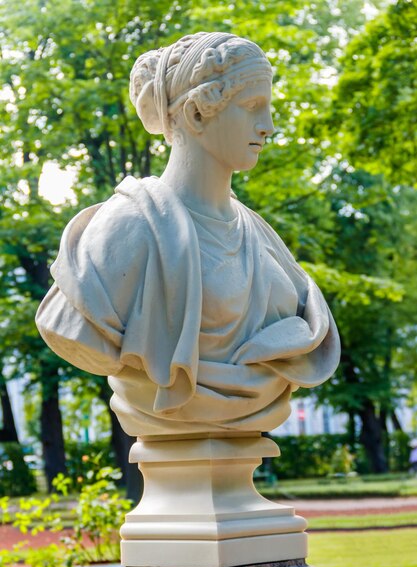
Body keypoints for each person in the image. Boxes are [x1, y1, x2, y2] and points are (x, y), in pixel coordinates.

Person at [36, 32, 340, 438]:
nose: (268, 127)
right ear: (197, 115)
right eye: (253, 107)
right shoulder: (127, 229)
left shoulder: (262, 237)